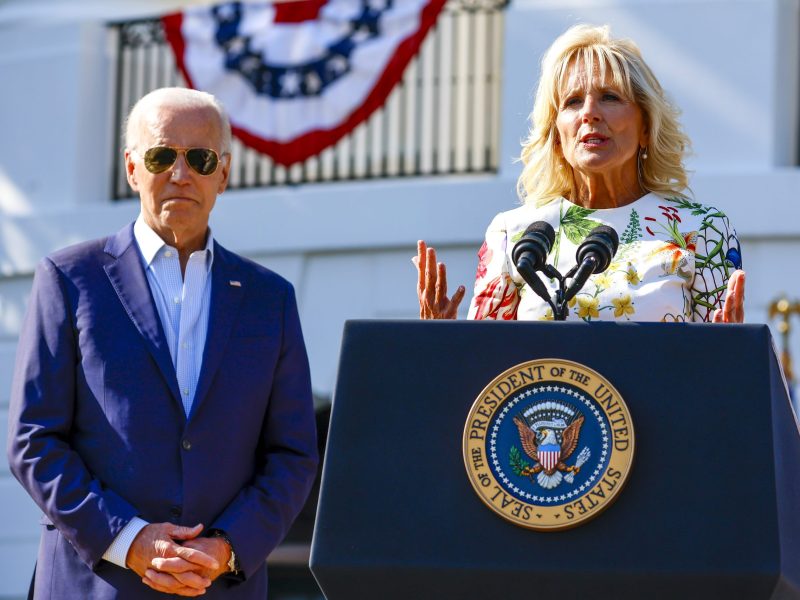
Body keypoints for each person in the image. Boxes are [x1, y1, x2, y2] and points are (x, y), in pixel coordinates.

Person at [7, 87, 318, 599]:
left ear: (223, 173)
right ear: (133, 168)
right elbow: (33, 440)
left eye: (200, 158)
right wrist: (128, 539)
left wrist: (227, 546)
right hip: (96, 584)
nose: (181, 173)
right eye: (160, 156)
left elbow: (292, 454)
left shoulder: (271, 299)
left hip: (220, 586)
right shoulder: (68, 278)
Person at [415, 24, 745, 323]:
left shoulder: (703, 230)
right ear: (557, 136)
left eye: (610, 97)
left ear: (646, 127)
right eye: (572, 102)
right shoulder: (513, 234)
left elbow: (720, 369)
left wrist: (729, 354)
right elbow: (487, 374)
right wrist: (442, 340)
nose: (589, 113)